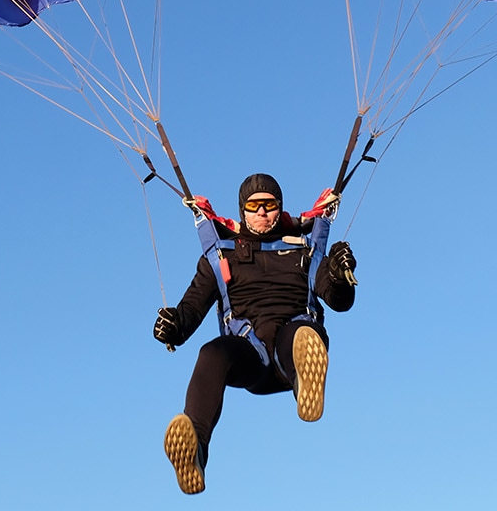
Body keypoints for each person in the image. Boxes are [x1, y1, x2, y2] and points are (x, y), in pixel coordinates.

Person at [150, 173, 358, 494]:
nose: (262, 213)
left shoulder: (305, 252)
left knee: (299, 334)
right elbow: (191, 308)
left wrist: (341, 276)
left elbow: (337, 300)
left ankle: (306, 384)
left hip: (294, 340)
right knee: (213, 352)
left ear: (280, 208)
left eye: (269, 205)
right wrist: (173, 327)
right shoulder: (221, 258)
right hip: (252, 355)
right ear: (243, 211)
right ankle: (195, 448)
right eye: (254, 205)